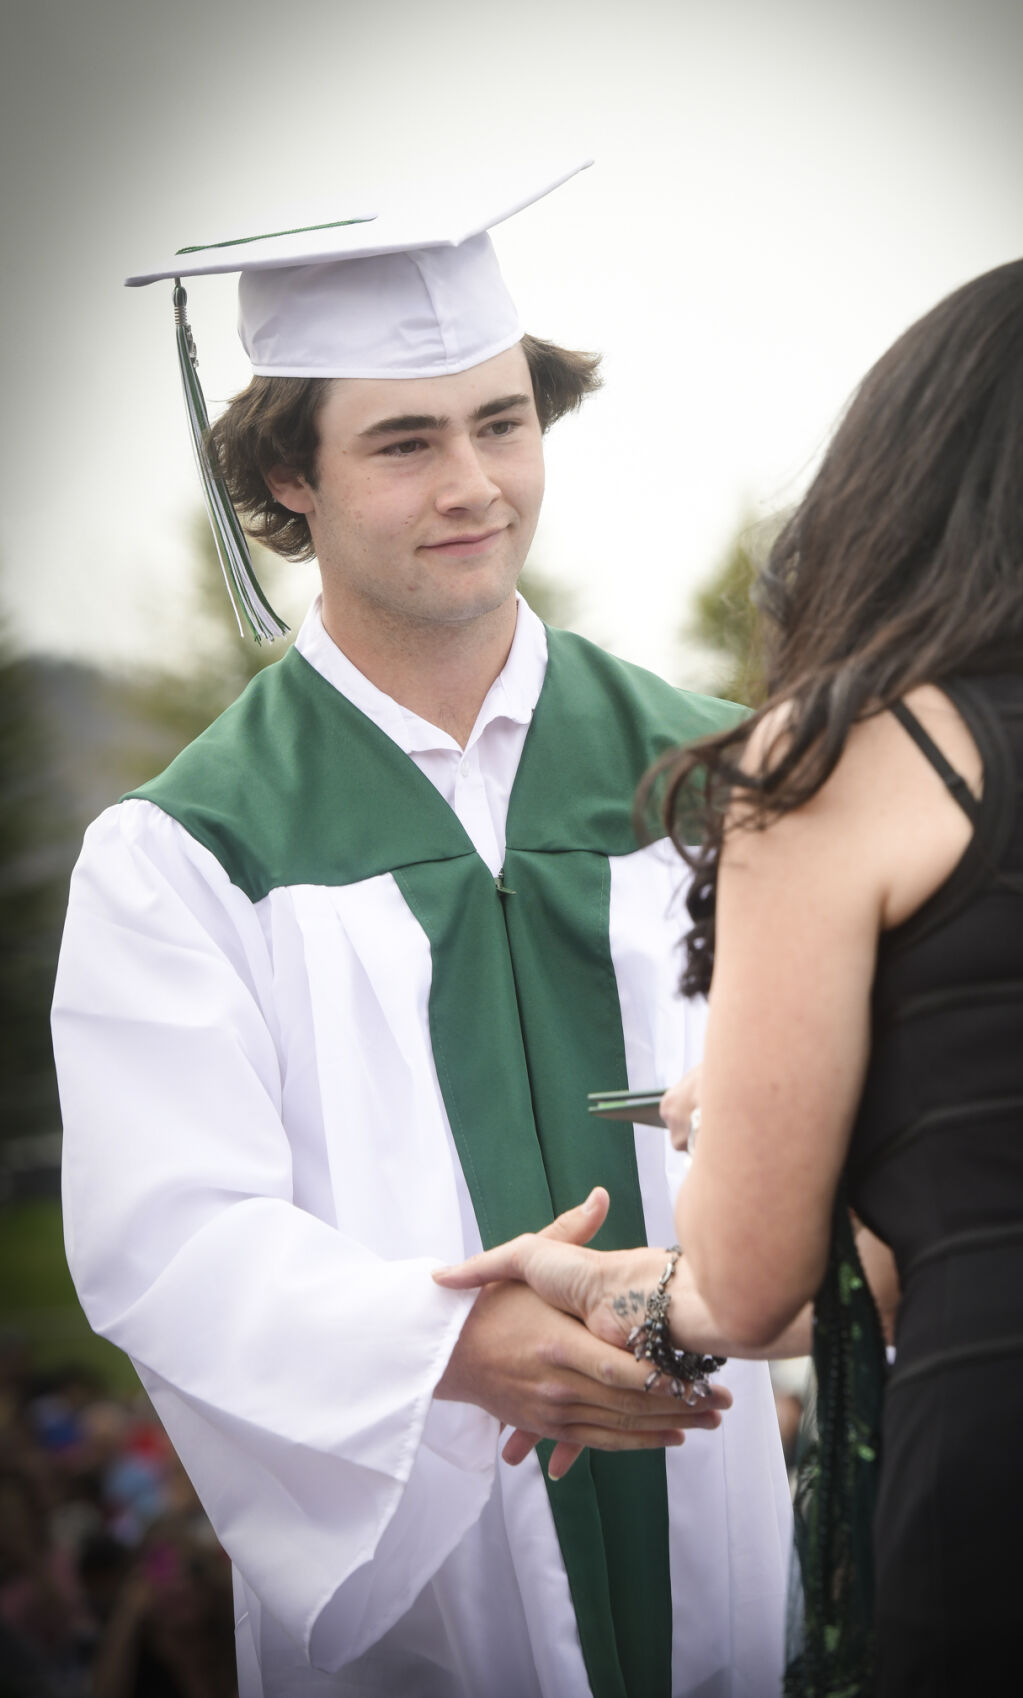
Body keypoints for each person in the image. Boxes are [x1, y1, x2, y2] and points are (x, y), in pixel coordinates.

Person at [52, 162, 794, 1698]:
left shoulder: (727, 783)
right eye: (407, 440)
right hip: (434, 1620)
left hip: (731, 1571)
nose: (475, 483)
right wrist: (448, 1344)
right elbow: (167, 1239)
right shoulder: (185, 857)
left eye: (504, 422)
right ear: (289, 478)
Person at [435, 249, 1023, 1696]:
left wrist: (658, 1228)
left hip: (1021, 1483)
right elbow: (1001, 1205)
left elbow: (743, 1278)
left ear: (911, 460)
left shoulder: (846, 752)